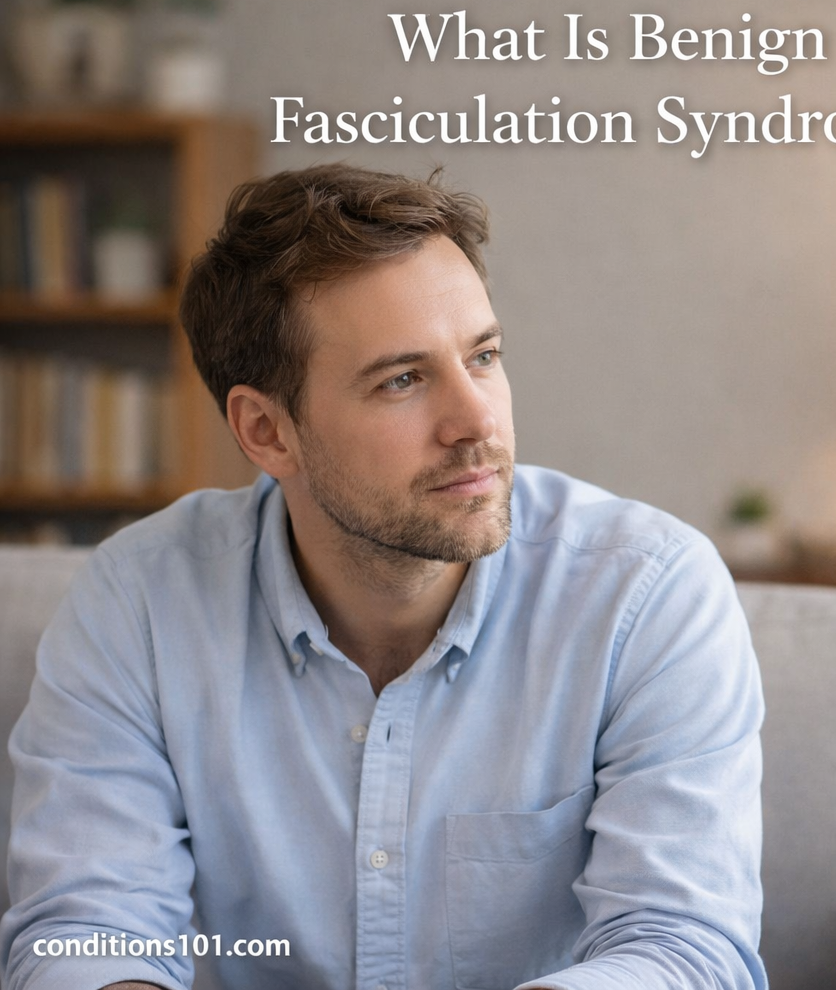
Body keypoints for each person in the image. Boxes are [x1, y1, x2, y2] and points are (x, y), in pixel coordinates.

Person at [0, 163, 767, 990]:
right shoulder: (140, 602)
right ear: (267, 432)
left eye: (483, 356)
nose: (477, 421)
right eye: (402, 380)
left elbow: (685, 950)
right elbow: (85, 934)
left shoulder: (645, 595)